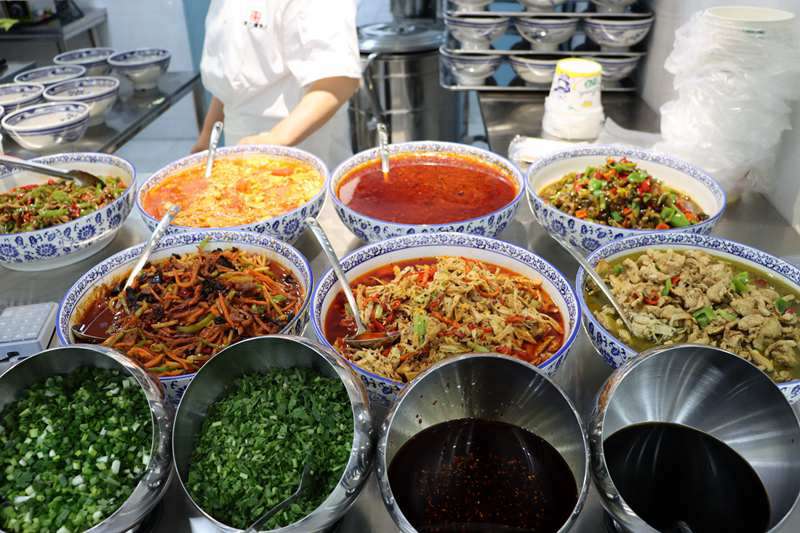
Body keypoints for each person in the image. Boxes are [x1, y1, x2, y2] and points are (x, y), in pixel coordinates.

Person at [193, 0, 362, 168]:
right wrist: (205, 140)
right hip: (242, 152)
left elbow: (339, 81)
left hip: (302, 152)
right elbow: (234, 81)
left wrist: (274, 139)